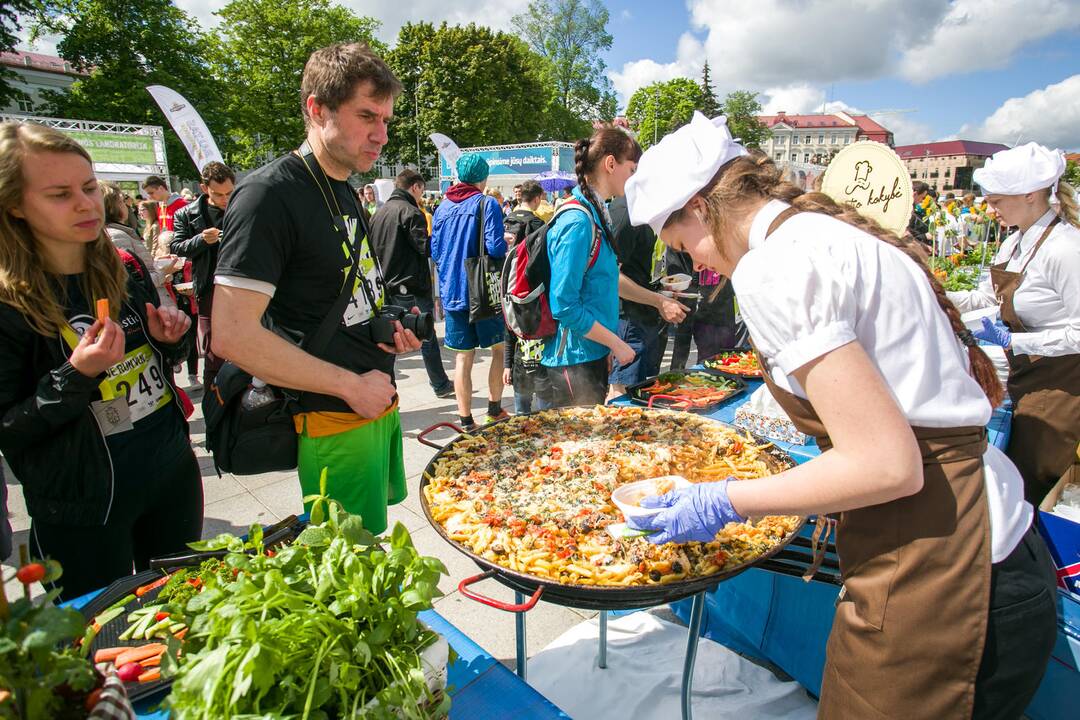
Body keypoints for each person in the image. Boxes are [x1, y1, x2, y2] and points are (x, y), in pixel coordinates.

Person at [624, 112, 1056, 719]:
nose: (697, 266)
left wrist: (725, 499)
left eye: (683, 244)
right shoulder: (817, 234)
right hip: (989, 541)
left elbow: (886, 465)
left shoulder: (775, 266)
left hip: (953, 570)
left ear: (701, 205)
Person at [211, 43, 421, 535]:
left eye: (386, 120)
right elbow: (232, 335)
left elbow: (345, 291)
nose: (381, 135)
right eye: (367, 116)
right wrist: (352, 386)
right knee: (350, 570)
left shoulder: (345, 186)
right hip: (334, 411)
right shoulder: (268, 194)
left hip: (372, 398)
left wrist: (385, 327)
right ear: (317, 108)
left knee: (371, 549)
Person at [0, 122, 201, 600]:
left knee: (187, 609)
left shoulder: (120, 268)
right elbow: (9, 428)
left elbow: (149, 366)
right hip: (85, 506)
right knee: (101, 642)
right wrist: (75, 375)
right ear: (14, 206)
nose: (86, 203)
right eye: (59, 194)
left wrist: (168, 340)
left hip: (170, 470)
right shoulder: (10, 303)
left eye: (89, 187)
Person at [948, 142, 1080, 505]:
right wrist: (938, 296)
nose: (989, 209)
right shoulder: (1015, 243)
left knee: (1030, 478)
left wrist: (1015, 341)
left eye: (997, 201)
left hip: (1061, 382)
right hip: (1026, 371)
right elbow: (991, 298)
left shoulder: (1066, 250)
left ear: (1031, 195)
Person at [541, 128, 641, 407]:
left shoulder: (597, 212)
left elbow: (601, 284)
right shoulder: (578, 221)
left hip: (590, 353)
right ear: (611, 164)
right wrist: (616, 343)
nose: (634, 179)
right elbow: (564, 305)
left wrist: (607, 345)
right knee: (576, 446)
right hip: (572, 359)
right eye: (631, 170)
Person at [430, 153, 508, 430]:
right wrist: (507, 242)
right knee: (500, 349)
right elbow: (496, 247)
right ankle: (494, 409)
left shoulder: (441, 207)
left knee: (463, 357)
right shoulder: (487, 204)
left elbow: (435, 251)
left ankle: (465, 421)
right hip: (482, 290)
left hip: (452, 290)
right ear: (482, 178)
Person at [369, 168, 453, 398]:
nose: (422, 196)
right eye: (421, 190)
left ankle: (386, 387)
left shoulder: (379, 212)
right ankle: (440, 384)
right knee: (423, 335)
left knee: (389, 338)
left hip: (384, 285)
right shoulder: (410, 212)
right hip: (410, 285)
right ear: (415, 187)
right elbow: (425, 248)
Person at [607, 193, 687, 396]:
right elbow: (611, 278)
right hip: (628, 321)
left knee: (646, 391)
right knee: (623, 394)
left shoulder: (656, 212)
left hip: (649, 318)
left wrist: (663, 292)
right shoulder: (625, 212)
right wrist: (659, 301)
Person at [170, 161, 235, 391]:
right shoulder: (186, 213)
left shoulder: (241, 205)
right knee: (212, 347)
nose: (224, 199)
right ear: (204, 188)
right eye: (218, 194)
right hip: (209, 285)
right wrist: (201, 240)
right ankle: (212, 398)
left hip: (242, 285)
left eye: (229, 193)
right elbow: (176, 246)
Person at [501, 180, 551, 413]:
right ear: (538, 197)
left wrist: (506, 364)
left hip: (510, 291)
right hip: (533, 294)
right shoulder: (537, 224)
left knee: (512, 329)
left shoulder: (507, 220)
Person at [101, 181, 173, 307]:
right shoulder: (117, 236)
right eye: (122, 201)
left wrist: (155, 264)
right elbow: (133, 282)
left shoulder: (120, 232)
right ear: (114, 205)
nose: (127, 206)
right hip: (150, 305)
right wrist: (163, 271)